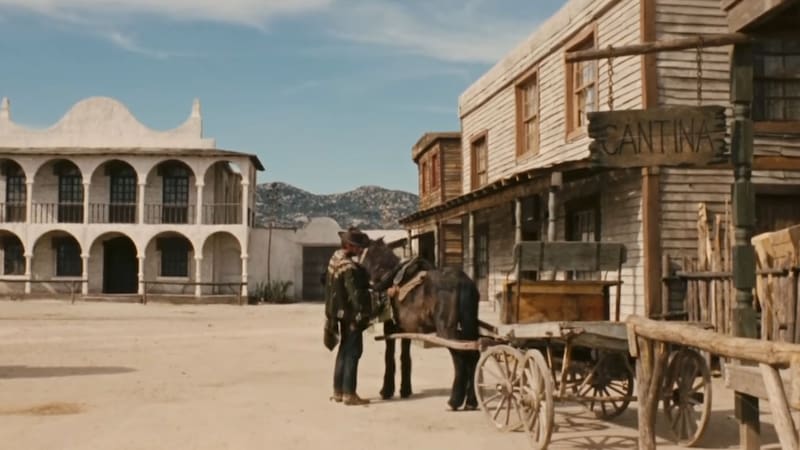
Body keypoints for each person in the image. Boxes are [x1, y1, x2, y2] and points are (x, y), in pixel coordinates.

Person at [324, 227, 373, 406]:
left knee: (343, 351)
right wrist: (364, 311)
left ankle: (338, 391)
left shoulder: (334, 259)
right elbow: (355, 295)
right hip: (350, 315)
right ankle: (349, 394)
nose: (360, 250)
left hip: (336, 312)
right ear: (349, 246)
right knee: (353, 352)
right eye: (358, 247)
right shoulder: (348, 267)